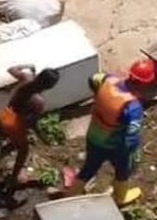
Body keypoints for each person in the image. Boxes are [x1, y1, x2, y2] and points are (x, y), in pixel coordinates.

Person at [65, 59, 155, 206]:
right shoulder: (133, 108)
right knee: (123, 172)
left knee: (88, 168)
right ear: (145, 85)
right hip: (115, 146)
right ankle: (119, 198)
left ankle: (68, 196)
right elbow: (131, 139)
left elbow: (92, 79)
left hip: (94, 136)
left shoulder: (109, 80)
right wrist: (133, 154)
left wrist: (99, 96)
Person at [0, 65, 61, 217]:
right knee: (23, 150)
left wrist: (27, 65)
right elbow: (32, 123)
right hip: (13, 124)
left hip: (5, 115)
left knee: (13, 144)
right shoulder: (38, 101)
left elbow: (10, 69)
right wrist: (42, 137)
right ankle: (13, 179)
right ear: (49, 86)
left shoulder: (26, 79)